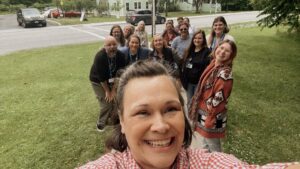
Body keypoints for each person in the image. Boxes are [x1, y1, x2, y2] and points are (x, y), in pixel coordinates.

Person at [79, 60, 298, 169]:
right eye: (143, 112)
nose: (161, 126)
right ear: (123, 122)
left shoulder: (204, 164)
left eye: (171, 109)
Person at [188, 40, 236, 152]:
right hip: (204, 112)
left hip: (212, 116)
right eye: (221, 48)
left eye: (227, 51)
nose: (222, 52)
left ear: (231, 55)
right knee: (204, 142)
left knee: (214, 147)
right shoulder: (213, 64)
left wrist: (210, 118)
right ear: (216, 48)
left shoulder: (225, 74)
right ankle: (206, 162)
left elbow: (220, 100)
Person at [89, 36, 126, 132]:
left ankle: (114, 120)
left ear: (117, 45)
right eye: (109, 45)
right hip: (98, 81)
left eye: (114, 44)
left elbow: (119, 74)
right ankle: (101, 123)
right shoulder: (100, 57)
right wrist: (107, 91)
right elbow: (101, 78)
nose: (112, 47)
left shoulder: (121, 56)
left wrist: (113, 90)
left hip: (114, 81)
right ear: (104, 46)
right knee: (106, 103)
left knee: (116, 100)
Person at [181, 30, 211, 103]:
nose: (197, 40)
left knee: (196, 103)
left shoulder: (207, 52)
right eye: (195, 38)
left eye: (199, 38)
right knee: (189, 102)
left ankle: (195, 115)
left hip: (199, 83)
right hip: (189, 83)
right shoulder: (189, 50)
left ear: (203, 39)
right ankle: (189, 114)